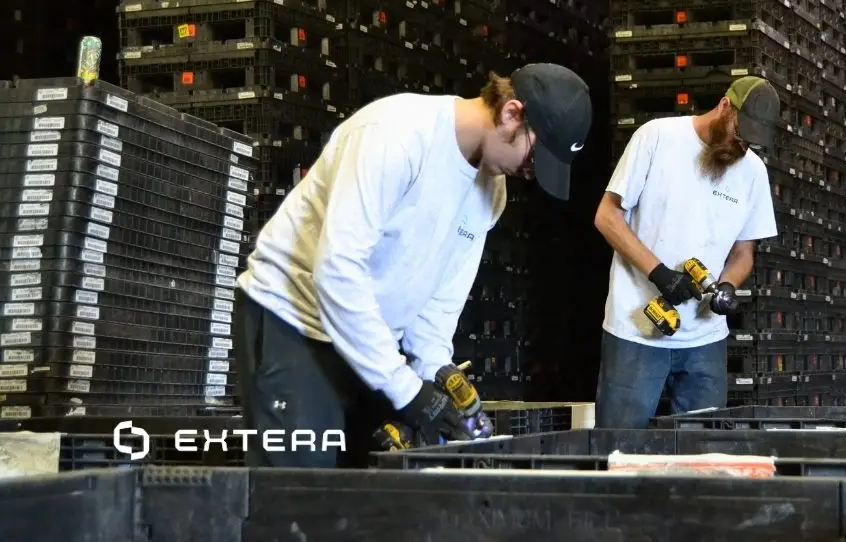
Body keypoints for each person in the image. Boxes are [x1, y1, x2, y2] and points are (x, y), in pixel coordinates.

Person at [233, 64, 592, 467]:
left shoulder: (492, 192)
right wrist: (407, 391)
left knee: (368, 499)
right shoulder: (396, 136)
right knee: (299, 503)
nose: (529, 172)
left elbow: (439, 301)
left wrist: (436, 377)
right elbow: (337, 271)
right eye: (533, 155)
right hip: (294, 324)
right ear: (511, 113)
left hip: (367, 340)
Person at [592, 76, 779, 429]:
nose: (741, 146)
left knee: (705, 454)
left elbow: (743, 253)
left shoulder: (753, 172)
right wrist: (658, 272)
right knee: (620, 447)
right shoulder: (657, 137)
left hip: (706, 342)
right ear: (725, 106)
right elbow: (607, 216)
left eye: (749, 141)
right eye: (739, 133)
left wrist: (726, 286)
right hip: (636, 331)